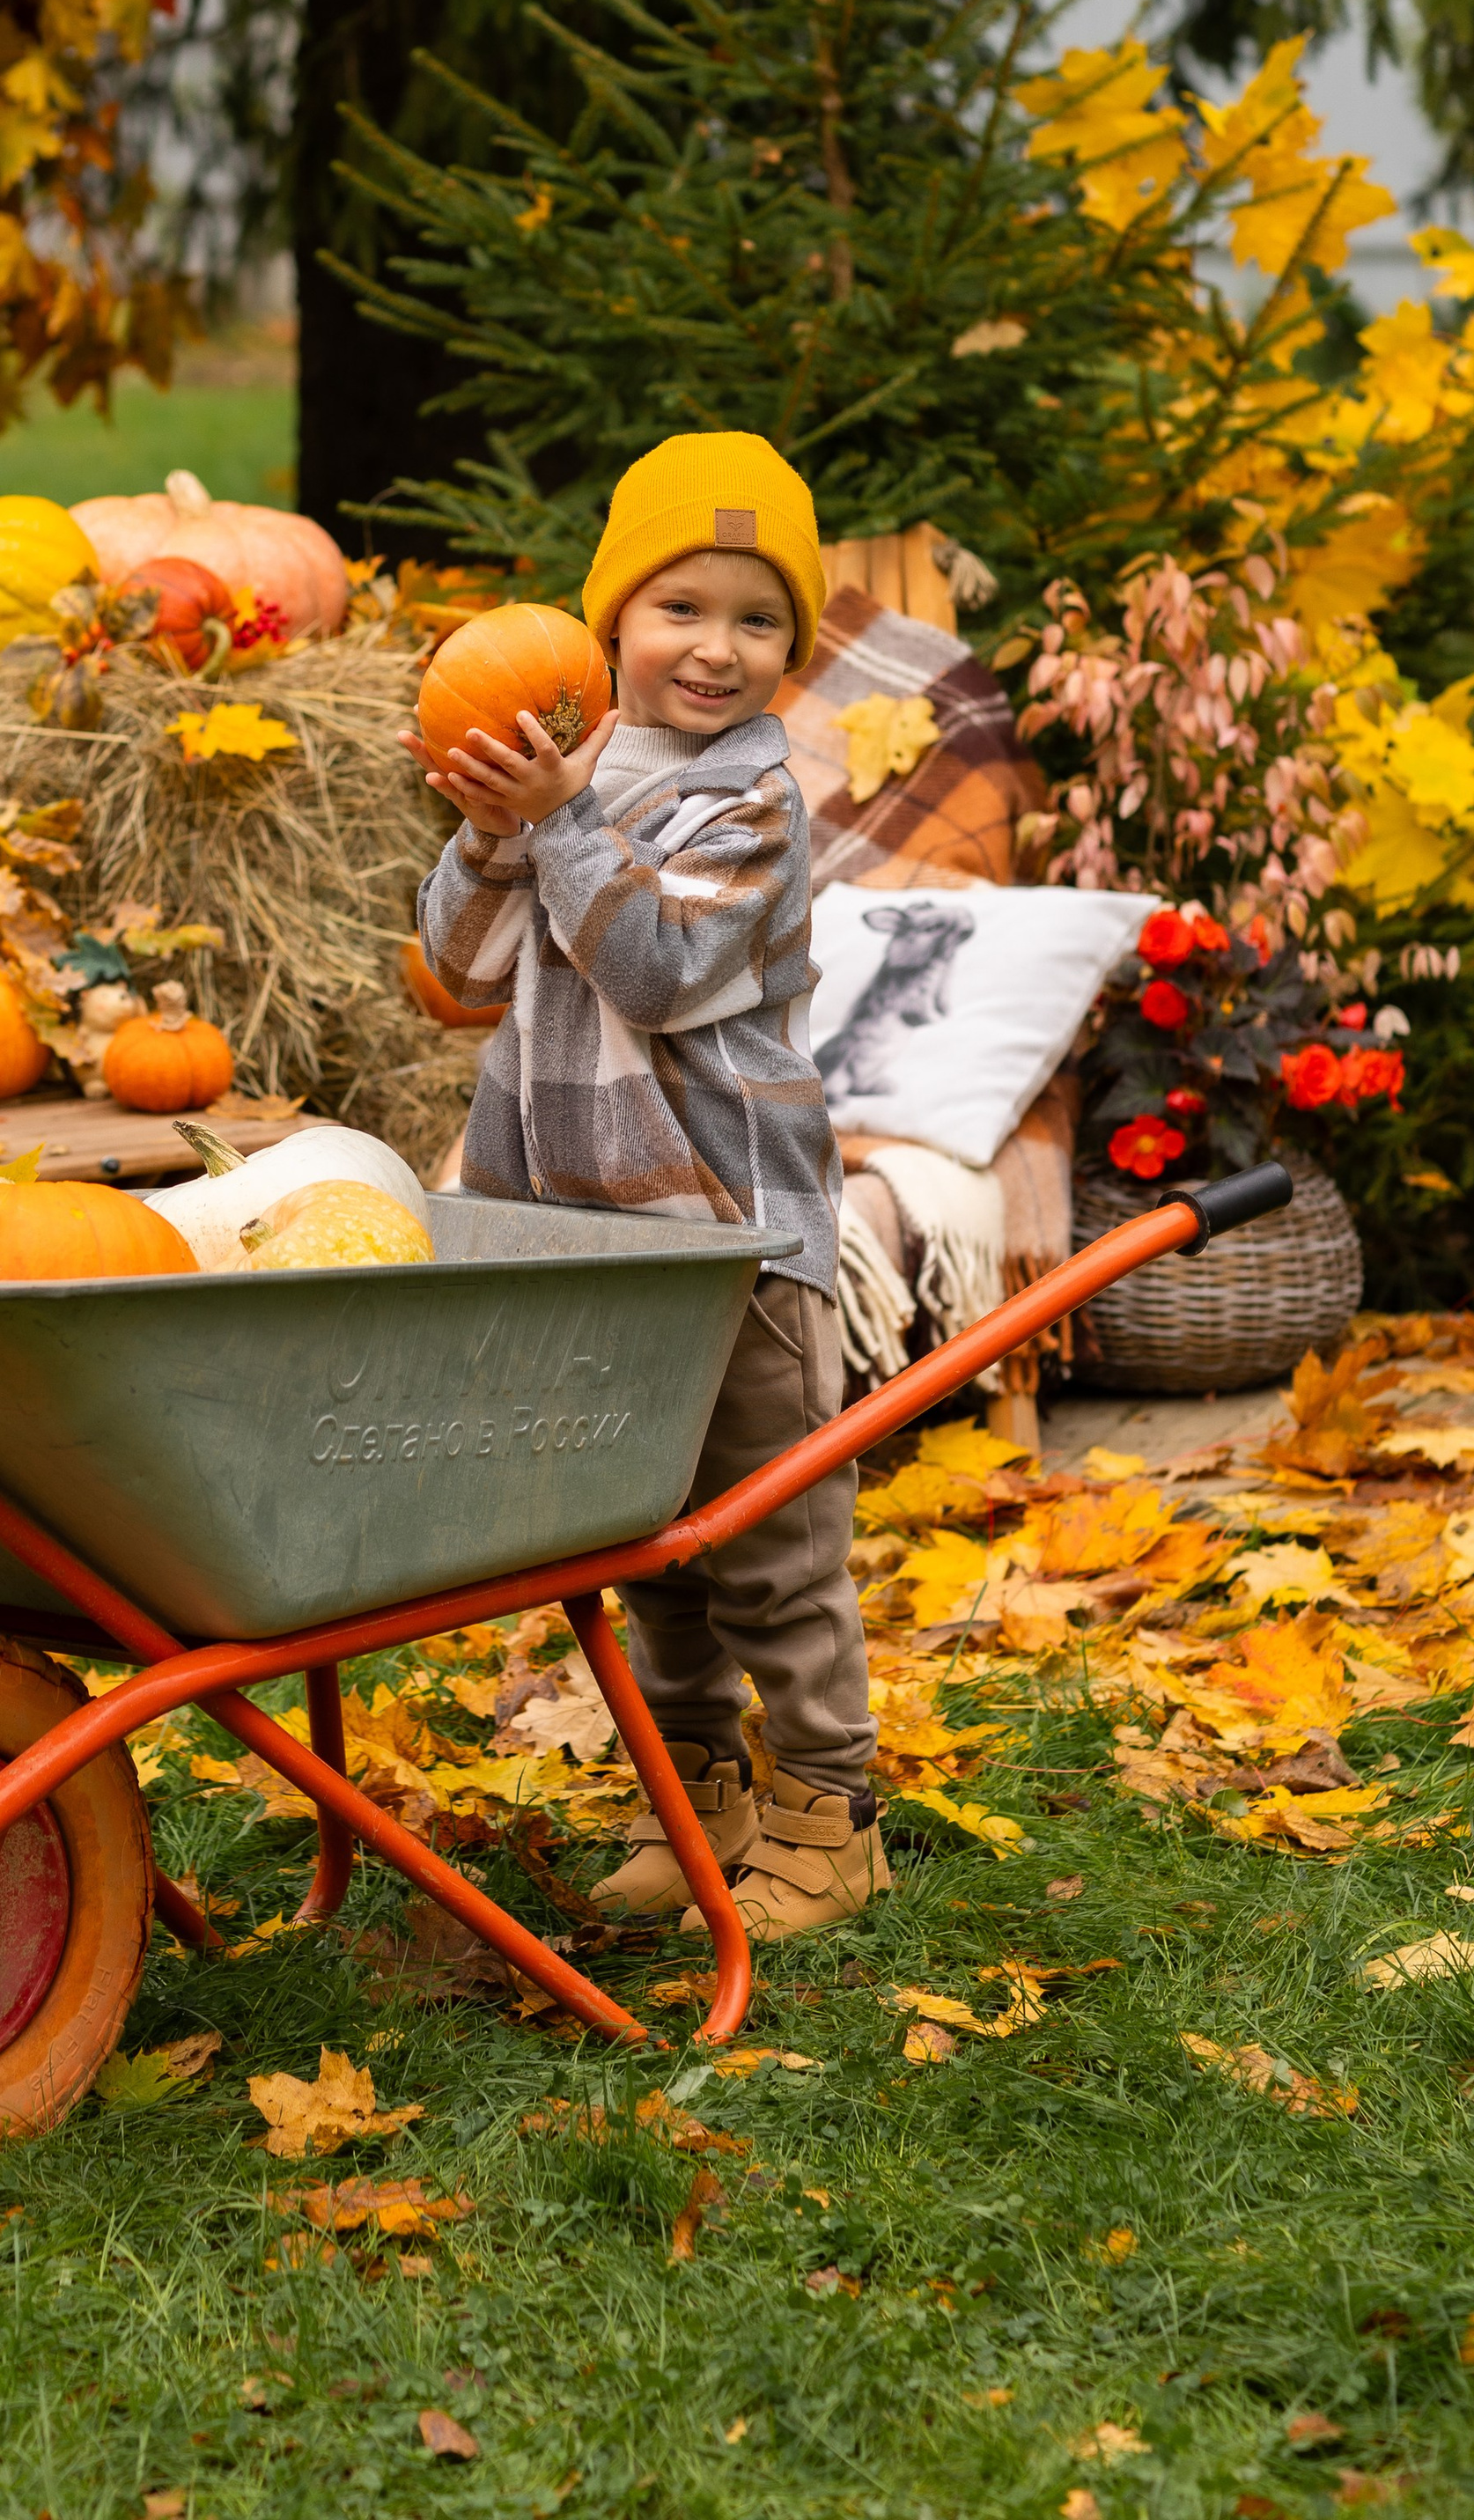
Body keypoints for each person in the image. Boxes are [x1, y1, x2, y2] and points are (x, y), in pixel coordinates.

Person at [407, 432, 887, 1942]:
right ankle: (696, 1803)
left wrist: (555, 824)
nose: (717, 648)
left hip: (726, 1238)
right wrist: (496, 826)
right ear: (612, 621)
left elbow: (663, 970)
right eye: (683, 608)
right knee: (644, 1536)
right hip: (578, 1234)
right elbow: (461, 972)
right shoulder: (567, 780)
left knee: (768, 1536)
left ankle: (827, 1812)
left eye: (759, 620)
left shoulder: (757, 810)